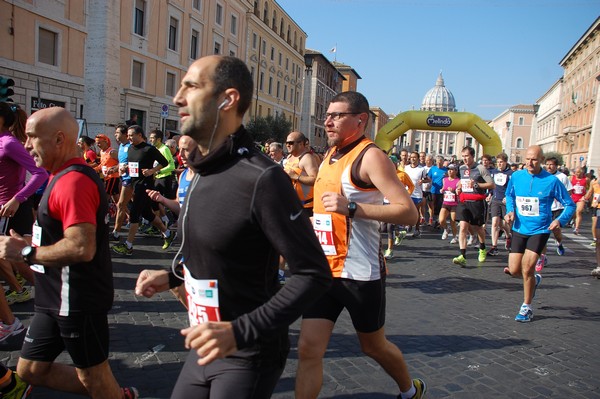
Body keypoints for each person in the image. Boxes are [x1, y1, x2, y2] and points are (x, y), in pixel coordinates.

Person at [134, 55, 331, 399]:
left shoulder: (262, 178)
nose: (178, 97)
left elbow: (313, 273)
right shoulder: (200, 169)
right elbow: (222, 248)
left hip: (248, 353)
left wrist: (239, 331)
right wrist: (172, 277)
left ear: (227, 99)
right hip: (205, 342)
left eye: (191, 86)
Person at [0, 107, 138, 398]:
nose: (25, 145)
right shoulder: (57, 175)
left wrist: (25, 252)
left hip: (76, 300)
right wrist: (32, 244)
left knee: (94, 376)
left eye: (32, 137)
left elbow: (80, 247)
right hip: (53, 297)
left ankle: (114, 394)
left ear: (59, 139)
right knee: (30, 371)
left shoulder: (74, 181)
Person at [295, 91, 425, 399]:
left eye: (336, 115)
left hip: (360, 272)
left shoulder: (371, 157)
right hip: (324, 270)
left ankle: (410, 391)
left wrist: (352, 209)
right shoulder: (330, 154)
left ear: (360, 120)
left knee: (373, 346)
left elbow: (409, 213)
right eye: (327, 115)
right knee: (308, 349)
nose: (328, 121)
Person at [504, 145, 575, 322]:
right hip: (519, 228)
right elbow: (510, 195)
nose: (529, 162)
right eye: (527, 158)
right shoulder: (517, 176)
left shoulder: (551, 181)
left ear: (541, 160)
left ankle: (526, 308)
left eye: (534, 159)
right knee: (514, 270)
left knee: (527, 267)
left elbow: (570, 204)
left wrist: (559, 220)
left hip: (540, 230)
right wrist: (511, 210)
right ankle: (533, 280)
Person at [0, 102, 46, 340]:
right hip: (2, 209)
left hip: (11, 210)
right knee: (9, 261)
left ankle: (52, 296)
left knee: (18, 261)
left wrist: (17, 199)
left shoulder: (9, 143)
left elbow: (40, 174)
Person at [111, 125, 176, 256]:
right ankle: (168, 233)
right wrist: (124, 169)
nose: (128, 137)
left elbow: (165, 161)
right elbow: (132, 164)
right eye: (128, 135)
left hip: (146, 185)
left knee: (135, 213)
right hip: (135, 184)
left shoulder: (149, 149)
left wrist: (152, 170)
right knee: (147, 213)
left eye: (131, 135)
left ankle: (128, 246)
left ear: (140, 135)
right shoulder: (130, 149)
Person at [452, 146, 495, 267]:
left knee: (478, 228)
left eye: (467, 156)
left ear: (472, 156)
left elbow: (492, 185)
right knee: (463, 226)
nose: (465, 159)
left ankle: (482, 247)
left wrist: (476, 184)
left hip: (477, 202)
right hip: (464, 201)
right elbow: (462, 180)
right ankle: (462, 255)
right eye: (463, 156)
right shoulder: (461, 168)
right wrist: (458, 187)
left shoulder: (480, 168)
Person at [284, 131, 319, 217]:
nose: (288, 145)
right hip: (291, 204)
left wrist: (295, 176)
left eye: (291, 143)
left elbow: (316, 180)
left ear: (301, 144)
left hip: (306, 207)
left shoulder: (307, 158)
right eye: (286, 143)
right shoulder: (289, 157)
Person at [487, 153, 513, 256]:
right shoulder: (493, 172)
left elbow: (513, 187)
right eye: (498, 162)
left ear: (506, 162)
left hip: (505, 201)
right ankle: (494, 247)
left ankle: (508, 236)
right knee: (494, 223)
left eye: (501, 162)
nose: (499, 164)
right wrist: (489, 194)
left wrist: (509, 197)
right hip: (495, 200)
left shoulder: (511, 174)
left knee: (504, 224)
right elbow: (492, 185)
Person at [110, 124, 132, 242]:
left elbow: (136, 162)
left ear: (125, 134)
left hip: (131, 179)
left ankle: (116, 233)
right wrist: (113, 169)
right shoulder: (121, 147)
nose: (115, 135)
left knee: (121, 205)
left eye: (117, 133)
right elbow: (121, 163)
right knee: (144, 208)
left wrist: (126, 167)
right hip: (123, 178)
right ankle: (165, 230)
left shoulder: (131, 147)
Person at [404, 151, 429, 237]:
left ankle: (417, 229)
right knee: (408, 210)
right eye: (411, 157)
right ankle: (409, 224)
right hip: (408, 192)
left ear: (418, 159)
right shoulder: (406, 168)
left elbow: (428, 179)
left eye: (415, 157)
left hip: (417, 193)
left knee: (416, 211)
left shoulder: (422, 169)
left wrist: (423, 181)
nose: (413, 159)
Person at [439, 163, 459, 243]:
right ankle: (446, 228)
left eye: (451, 170)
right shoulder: (445, 179)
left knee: (453, 221)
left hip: (454, 204)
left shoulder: (458, 181)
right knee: (441, 220)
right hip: (446, 203)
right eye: (448, 170)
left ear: (455, 171)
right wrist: (442, 190)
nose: (449, 171)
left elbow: (459, 192)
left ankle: (455, 237)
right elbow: (444, 187)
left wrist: (453, 191)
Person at [569, 166, 587, 235]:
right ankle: (574, 221)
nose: (577, 174)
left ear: (582, 173)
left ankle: (576, 228)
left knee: (578, 211)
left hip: (581, 198)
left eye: (579, 172)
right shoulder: (572, 178)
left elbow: (589, 188)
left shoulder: (586, 179)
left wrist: (586, 196)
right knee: (573, 213)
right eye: (576, 172)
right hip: (573, 197)